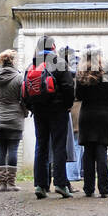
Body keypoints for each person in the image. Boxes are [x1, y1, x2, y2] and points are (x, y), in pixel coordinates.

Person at [24, 35, 76, 199]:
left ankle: (40, 185)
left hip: (39, 111)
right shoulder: (60, 62)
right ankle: (60, 184)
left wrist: (32, 107)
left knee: (41, 145)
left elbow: (24, 91)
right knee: (59, 146)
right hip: (58, 109)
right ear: (53, 46)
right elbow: (68, 87)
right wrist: (67, 105)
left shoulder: (32, 64)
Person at [76, 48, 108, 197]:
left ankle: (88, 188)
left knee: (88, 152)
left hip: (87, 114)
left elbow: (78, 95)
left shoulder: (81, 73)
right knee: (101, 151)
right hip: (104, 114)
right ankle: (104, 189)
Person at [0, 48, 27, 191]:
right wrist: (24, 111)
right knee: (13, 150)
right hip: (16, 119)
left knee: (2, 150)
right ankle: (11, 183)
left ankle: (2, 184)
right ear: (13, 61)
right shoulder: (19, 78)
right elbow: (24, 99)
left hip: (0, 120)